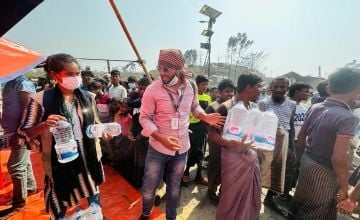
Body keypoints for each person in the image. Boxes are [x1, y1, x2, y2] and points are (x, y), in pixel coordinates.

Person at [17, 53, 110, 219]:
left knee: (92, 195)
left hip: (88, 160)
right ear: (54, 75)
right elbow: (25, 131)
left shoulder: (88, 97)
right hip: (60, 163)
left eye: (77, 73)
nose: (75, 78)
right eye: (69, 74)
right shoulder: (40, 100)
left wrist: (103, 132)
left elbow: (95, 123)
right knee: (59, 200)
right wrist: (45, 125)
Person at [139, 49, 224, 220]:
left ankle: (171, 217)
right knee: (149, 188)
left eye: (166, 69)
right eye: (159, 68)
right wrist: (161, 138)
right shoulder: (152, 90)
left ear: (178, 69)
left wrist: (205, 116)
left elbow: (195, 107)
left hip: (182, 149)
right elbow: (144, 118)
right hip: (157, 149)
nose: (161, 73)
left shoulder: (191, 86)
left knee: (174, 188)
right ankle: (145, 213)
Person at [289, 67, 360, 219]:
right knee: (317, 210)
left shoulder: (316, 107)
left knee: (301, 204)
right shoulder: (348, 118)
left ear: (329, 88)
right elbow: (338, 158)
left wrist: (302, 160)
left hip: (308, 161)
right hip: (325, 170)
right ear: (357, 89)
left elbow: (301, 137)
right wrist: (343, 186)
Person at [207, 73, 263, 220]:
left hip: (250, 158)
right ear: (249, 87)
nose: (261, 90)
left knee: (251, 197)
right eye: (259, 86)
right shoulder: (225, 108)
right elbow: (212, 135)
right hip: (233, 160)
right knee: (230, 199)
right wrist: (230, 143)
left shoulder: (253, 107)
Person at [258, 77, 296, 216]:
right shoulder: (262, 103)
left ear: (287, 89)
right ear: (271, 87)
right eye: (276, 86)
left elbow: (291, 126)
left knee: (278, 171)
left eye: (283, 86)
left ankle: (269, 198)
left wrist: (291, 147)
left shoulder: (292, 104)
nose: (279, 89)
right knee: (262, 169)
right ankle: (255, 197)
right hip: (265, 141)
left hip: (283, 142)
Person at [0, 75, 37, 210]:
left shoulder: (23, 84)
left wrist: (20, 132)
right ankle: (30, 187)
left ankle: (19, 203)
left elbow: (28, 110)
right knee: (23, 162)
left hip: (20, 132)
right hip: (12, 130)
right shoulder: (10, 83)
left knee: (15, 166)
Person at [206, 79, 235, 204]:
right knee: (215, 164)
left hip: (229, 141)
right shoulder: (213, 106)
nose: (229, 94)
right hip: (216, 141)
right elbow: (207, 125)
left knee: (226, 167)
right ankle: (211, 189)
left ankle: (222, 190)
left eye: (232, 91)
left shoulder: (233, 107)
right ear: (219, 92)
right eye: (227, 91)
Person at [182, 74, 212, 187]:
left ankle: (199, 175)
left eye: (206, 84)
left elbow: (207, 113)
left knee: (201, 151)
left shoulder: (207, 97)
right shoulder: (191, 96)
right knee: (191, 150)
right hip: (190, 126)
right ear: (197, 85)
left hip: (201, 127)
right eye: (203, 84)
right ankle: (185, 173)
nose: (205, 86)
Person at [128, 77, 151, 188]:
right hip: (137, 138)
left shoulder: (155, 104)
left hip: (150, 138)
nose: (141, 91)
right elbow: (133, 119)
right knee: (138, 162)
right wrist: (129, 131)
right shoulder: (135, 103)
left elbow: (154, 123)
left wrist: (143, 134)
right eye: (140, 88)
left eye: (144, 89)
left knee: (150, 164)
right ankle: (139, 182)